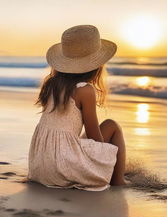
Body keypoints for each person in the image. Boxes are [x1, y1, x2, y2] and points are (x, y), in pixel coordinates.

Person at [27, 25, 127, 191]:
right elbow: (94, 134)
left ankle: (111, 174)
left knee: (80, 138)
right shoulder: (85, 90)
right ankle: (118, 181)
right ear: (97, 65)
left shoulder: (52, 84)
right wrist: (102, 158)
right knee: (112, 126)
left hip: (40, 165)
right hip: (62, 167)